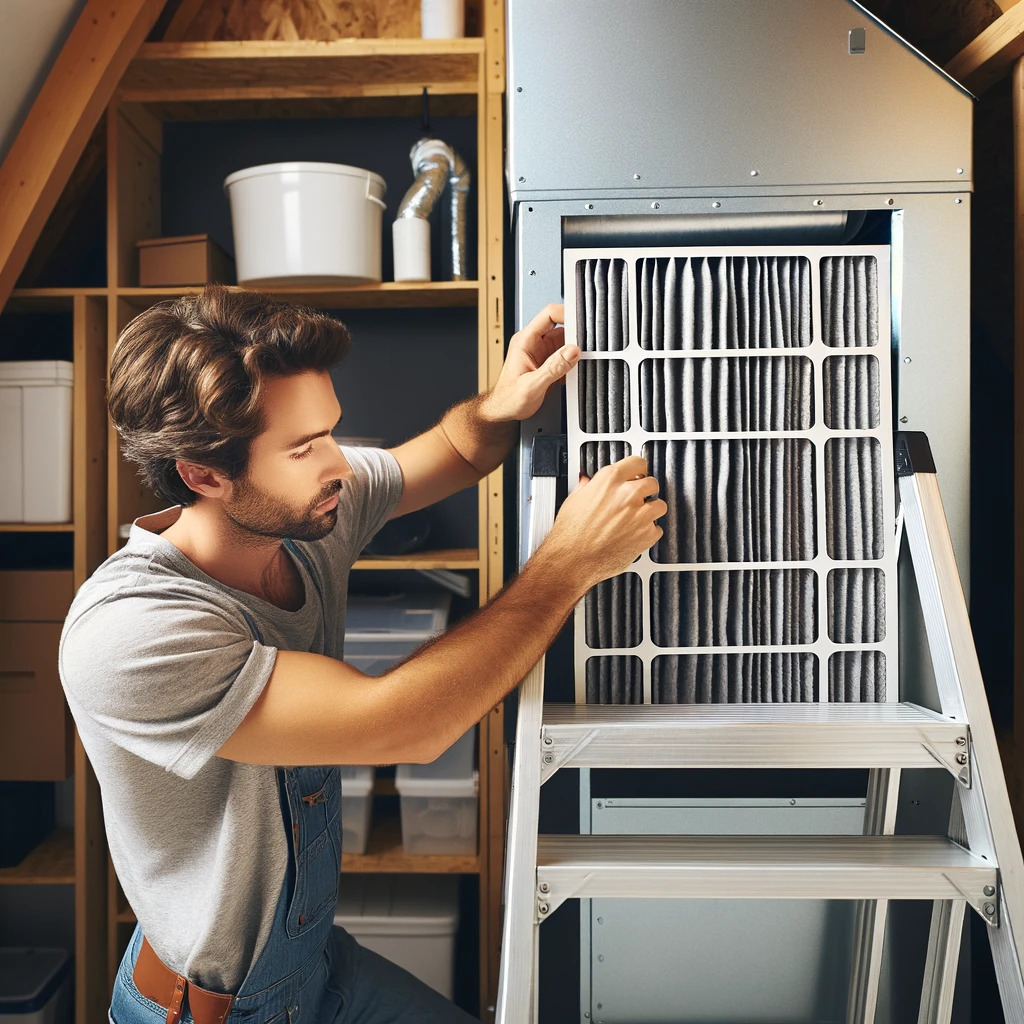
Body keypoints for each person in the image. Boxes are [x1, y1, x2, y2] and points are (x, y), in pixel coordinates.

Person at [59, 286, 665, 1024]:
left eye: (331, 431)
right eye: (304, 446)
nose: (340, 463)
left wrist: (503, 401)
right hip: (216, 1012)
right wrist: (566, 565)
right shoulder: (130, 633)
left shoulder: (307, 510)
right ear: (204, 474)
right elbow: (403, 726)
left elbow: (451, 451)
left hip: (311, 970)